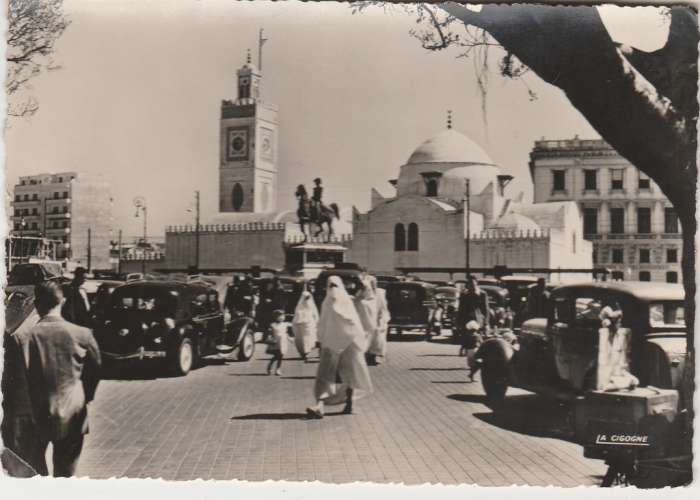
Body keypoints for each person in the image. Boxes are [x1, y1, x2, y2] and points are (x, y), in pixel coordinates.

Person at [15, 281, 101, 477]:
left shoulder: (22, 337)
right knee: (66, 476)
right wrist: (86, 396)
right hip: (73, 414)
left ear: (36, 305)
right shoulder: (82, 335)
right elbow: (96, 370)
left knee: (35, 474)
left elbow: (16, 380)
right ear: (62, 302)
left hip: (34, 415)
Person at [306, 276, 373, 419]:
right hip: (330, 346)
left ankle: (349, 404)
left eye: (335, 286)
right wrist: (321, 340)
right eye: (330, 286)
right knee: (324, 377)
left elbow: (354, 321)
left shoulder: (347, 302)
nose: (333, 289)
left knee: (350, 377)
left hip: (348, 346)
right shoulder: (327, 303)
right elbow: (323, 323)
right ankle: (320, 406)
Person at [597, 302, 639, 391]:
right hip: (607, 371)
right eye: (618, 322)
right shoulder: (604, 335)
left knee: (634, 381)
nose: (619, 324)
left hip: (617, 370)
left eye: (620, 322)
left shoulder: (621, 335)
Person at [456, 276, 490, 356]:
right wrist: (458, 321)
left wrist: (486, 322)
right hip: (466, 318)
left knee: (478, 335)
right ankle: (463, 348)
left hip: (478, 318)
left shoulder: (482, 294)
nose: (471, 285)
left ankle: (481, 350)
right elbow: (460, 308)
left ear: (476, 283)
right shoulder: (464, 294)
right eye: (469, 284)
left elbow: (485, 309)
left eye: (473, 283)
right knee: (465, 335)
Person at [363, 277, 391, 366]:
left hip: (377, 319)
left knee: (378, 339)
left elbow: (383, 307)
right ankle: (366, 356)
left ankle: (374, 356)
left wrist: (381, 319)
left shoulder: (380, 293)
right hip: (367, 320)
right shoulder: (364, 293)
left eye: (374, 283)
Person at [292, 291, 319, 361]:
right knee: (301, 339)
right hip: (301, 326)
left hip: (309, 325)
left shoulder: (311, 306)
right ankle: (303, 353)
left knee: (308, 339)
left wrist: (316, 322)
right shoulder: (299, 307)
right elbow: (296, 317)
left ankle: (306, 352)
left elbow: (315, 315)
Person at [266, 310, 290, 376]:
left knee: (281, 356)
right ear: (275, 317)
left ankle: (278, 369)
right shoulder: (273, 325)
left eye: (283, 316)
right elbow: (269, 333)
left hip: (283, 342)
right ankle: (270, 366)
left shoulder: (285, 325)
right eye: (279, 316)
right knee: (277, 356)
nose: (281, 317)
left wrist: (289, 338)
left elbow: (286, 333)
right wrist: (269, 338)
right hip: (276, 342)